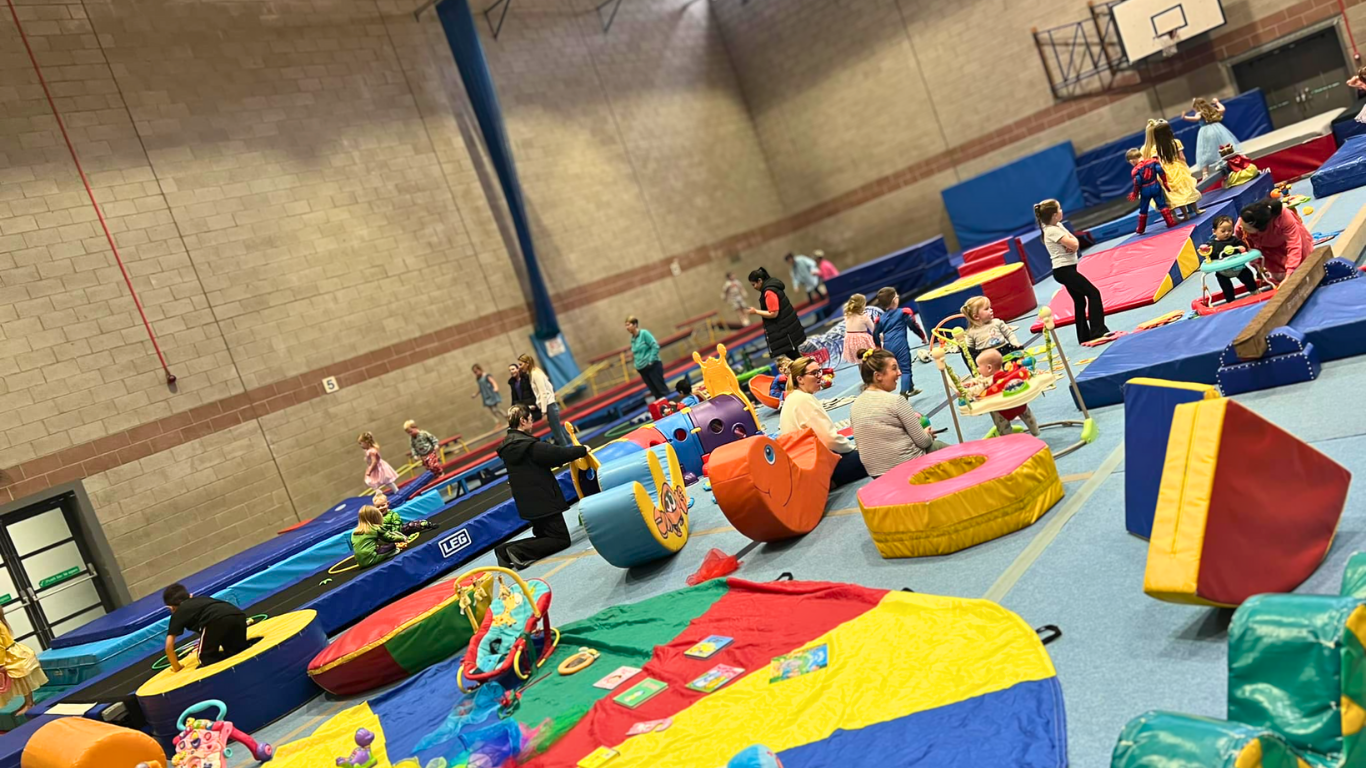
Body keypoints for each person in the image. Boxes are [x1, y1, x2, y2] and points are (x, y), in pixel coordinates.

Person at [495, 404, 589, 570]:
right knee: (560, 540)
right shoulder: (529, 446)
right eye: (530, 421)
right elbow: (558, 454)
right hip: (543, 500)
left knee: (545, 536)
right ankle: (517, 551)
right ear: (522, 421)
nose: (532, 425)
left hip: (527, 502)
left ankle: (503, 551)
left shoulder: (508, 447)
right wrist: (582, 450)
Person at [849, 350, 947, 478]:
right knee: (947, 450)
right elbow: (923, 442)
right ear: (878, 376)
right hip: (908, 468)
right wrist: (928, 435)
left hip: (877, 474)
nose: (899, 373)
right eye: (894, 369)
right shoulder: (896, 401)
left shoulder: (855, 406)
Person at [778, 357, 867, 487]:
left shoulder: (792, 398)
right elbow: (829, 439)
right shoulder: (804, 400)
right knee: (873, 454)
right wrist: (852, 448)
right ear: (800, 379)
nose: (819, 376)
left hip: (802, 464)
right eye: (814, 373)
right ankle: (827, 481)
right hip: (816, 466)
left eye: (819, 371)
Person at [1036, 199, 1111, 344]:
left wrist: (1071, 242)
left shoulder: (1058, 226)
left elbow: (1074, 242)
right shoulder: (1051, 230)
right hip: (1063, 270)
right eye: (1059, 209)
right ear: (1054, 214)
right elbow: (1075, 244)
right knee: (1093, 293)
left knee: (1079, 301)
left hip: (1068, 268)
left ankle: (1084, 336)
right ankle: (1098, 330)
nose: (1061, 211)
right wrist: (1071, 242)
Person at [162, 584, 251, 671]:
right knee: (236, 650)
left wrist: (177, 667)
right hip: (237, 615)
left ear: (171, 608)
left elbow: (169, 647)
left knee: (206, 658)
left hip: (215, 621)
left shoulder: (178, 613)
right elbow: (221, 611)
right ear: (191, 596)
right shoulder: (203, 599)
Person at [1236, 198, 1313, 282]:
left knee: (1304, 268)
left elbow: (1294, 245)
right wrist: (1258, 267)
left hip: (1289, 242)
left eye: (1247, 229)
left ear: (1260, 228)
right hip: (1269, 249)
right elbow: (1249, 249)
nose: (1242, 228)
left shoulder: (1283, 216)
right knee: (1280, 277)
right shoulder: (1242, 225)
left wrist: (1290, 272)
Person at [870, 287, 926, 397]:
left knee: (895, 369)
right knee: (905, 369)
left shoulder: (880, 318)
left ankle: (910, 388)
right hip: (901, 345)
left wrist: (878, 347)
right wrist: (922, 337)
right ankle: (903, 394)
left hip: (887, 347)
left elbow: (875, 334)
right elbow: (913, 326)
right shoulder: (903, 313)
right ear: (894, 300)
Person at [1143, 119, 1202, 220]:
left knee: (1176, 193)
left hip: (1166, 170)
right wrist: (1184, 166)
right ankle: (1196, 209)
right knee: (1187, 188)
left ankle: (1185, 214)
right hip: (1178, 167)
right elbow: (1182, 157)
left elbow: (1156, 162)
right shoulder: (1176, 142)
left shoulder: (1155, 148)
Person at [973, 349, 1040, 437]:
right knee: (1027, 415)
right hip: (1019, 404)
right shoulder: (1006, 373)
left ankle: (1008, 440)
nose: (977, 369)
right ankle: (1035, 431)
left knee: (1003, 427)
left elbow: (978, 389)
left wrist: (968, 392)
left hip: (1000, 409)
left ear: (989, 368)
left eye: (979, 366)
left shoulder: (989, 380)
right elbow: (979, 379)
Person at [746, 267, 806, 361]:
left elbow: (773, 313)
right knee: (796, 356)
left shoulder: (769, 292)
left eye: (754, 284)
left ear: (760, 281)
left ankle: (810, 371)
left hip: (785, 332)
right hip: (788, 329)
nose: (754, 287)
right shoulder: (772, 286)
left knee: (796, 357)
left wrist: (756, 311)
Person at [1200, 215, 1260, 305]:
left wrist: (1242, 248)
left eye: (1230, 230)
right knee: (1226, 287)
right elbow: (1209, 256)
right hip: (1223, 271)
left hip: (1239, 268)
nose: (1227, 233)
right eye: (1223, 231)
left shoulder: (1234, 240)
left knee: (1248, 277)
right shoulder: (1211, 244)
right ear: (1214, 231)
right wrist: (1206, 252)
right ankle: (1230, 300)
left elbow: (1244, 246)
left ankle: (1254, 291)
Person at [0, 605, 46, 715]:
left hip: (11, 654)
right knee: (21, 680)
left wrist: (1, 663)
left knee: (22, 679)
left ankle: (29, 703)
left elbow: (0, 646)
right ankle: (28, 702)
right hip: (12, 651)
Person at [1181, 97, 1240, 178]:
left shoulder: (1200, 113)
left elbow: (1196, 118)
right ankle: (1228, 162)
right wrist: (1217, 102)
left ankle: (1205, 173)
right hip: (1217, 129)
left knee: (1205, 151)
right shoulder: (1212, 109)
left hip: (1206, 132)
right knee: (1221, 146)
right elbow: (1222, 109)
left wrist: (1185, 117)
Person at [520, 354, 569, 446]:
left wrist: (544, 412)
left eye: (521, 364)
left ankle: (569, 452)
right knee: (560, 431)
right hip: (550, 405)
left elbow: (543, 393)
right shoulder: (535, 372)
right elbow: (548, 386)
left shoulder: (535, 374)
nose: (520, 367)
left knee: (558, 434)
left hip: (549, 406)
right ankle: (573, 448)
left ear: (527, 363)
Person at [1127, 147, 1176, 234]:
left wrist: (1135, 193)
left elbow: (1137, 181)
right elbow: (1160, 171)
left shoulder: (1135, 170)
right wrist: (1165, 183)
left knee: (1143, 209)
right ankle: (1170, 222)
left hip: (1145, 190)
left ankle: (1141, 228)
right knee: (1162, 205)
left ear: (1133, 160)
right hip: (1155, 186)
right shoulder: (1152, 162)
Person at [960, 296, 1021, 361]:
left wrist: (1015, 343)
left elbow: (1009, 334)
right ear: (976, 316)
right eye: (986, 309)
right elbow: (969, 348)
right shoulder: (971, 332)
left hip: (1004, 351)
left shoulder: (997, 322)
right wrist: (962, 345)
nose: (991, 310)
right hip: (987, 358)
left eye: (990, 307)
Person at [626, 316, 669, 400]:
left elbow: (655, 346)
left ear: (635, 325)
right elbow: (637, 352)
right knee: (656, 394)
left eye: (628, 325)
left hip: (652, 367)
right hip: (643, 370)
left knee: (662, 391)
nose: (627, 328)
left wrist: (650, 361)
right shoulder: (633, 339)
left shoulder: (644, 334)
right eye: (626, 326)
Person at [841, 294, 876, 364]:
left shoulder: (847, 315)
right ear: (862, 305)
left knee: (859, 361)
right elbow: (874, 331)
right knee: (868, 358)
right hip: (862, 341)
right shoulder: (864, 317)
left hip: (849, 341)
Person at [470, 364, 502, 429]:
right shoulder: (478, 379)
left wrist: (496, 387)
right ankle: (498, 422)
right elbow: (480, 388)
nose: (476, 373)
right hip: (485, 396)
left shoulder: (486, 376)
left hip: (491, 394)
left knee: (495, 409)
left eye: (476, 371)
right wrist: (476, 394)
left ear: (480, 369)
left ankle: (506, 416)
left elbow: (493, 382)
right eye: (474, 372)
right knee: (491, 410)